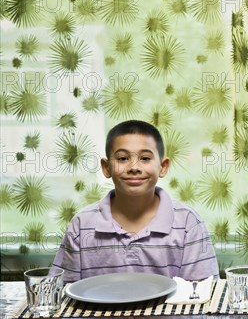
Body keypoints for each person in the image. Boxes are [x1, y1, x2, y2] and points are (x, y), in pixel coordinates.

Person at [51, 120, 219, 283]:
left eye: (145, 158)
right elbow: (64, 292)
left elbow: (202, 291)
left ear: (163, 167)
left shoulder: (188, 223)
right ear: (106, 167)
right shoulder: (82, 225)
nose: (134, 167)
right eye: (123, 158)